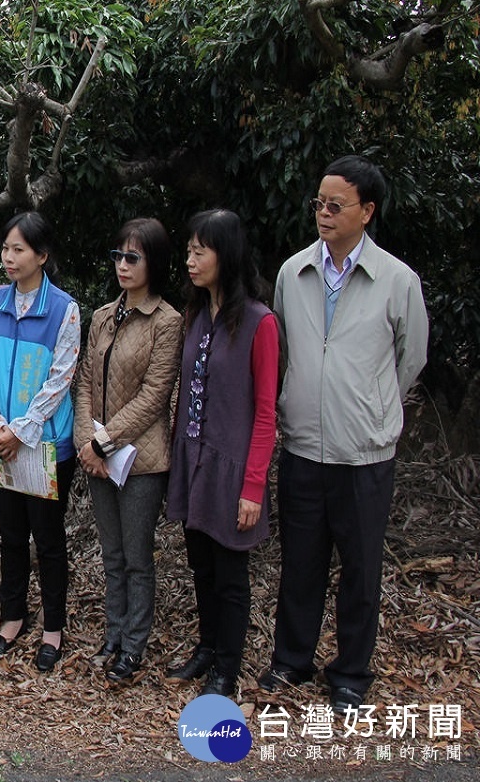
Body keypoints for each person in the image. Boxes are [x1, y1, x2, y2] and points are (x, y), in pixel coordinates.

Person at [259, 156, 428, 713]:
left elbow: (411, 359)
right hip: (303, 445)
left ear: (367, 211)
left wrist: (373, 408)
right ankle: (292, 660)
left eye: (336, 206)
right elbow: (284, 350)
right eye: (319, 204)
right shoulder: (293, 272)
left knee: (360, 568)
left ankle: (352, 672)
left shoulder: (397, 280)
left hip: (365, 454)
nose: (324, 214)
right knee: (300, 562)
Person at [166, 209, 279, 698]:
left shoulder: (260, 323)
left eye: (200, 251)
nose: (190, 260)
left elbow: (267, 414)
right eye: (189, 250)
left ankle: (227, 667)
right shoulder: (195, 314)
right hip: (194, 462)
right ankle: (207, 647)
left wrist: (253, 486)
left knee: (231, 574)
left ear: (225, 255)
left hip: (233, 470)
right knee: (201, 565)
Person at [74, 218, 182, 683]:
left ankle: (133, 647)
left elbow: (155, 396)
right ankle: (113, 635)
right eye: (118, 256)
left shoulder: (168, 321)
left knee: (137, 556)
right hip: (98, 456)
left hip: (142, 459)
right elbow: (83, 383)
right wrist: (86, 443)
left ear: (153, 263)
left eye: (132, 257)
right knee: (111, 553)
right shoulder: (102, 315)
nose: (122, 265)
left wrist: (104, 440)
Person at [0, 212, 82, 674]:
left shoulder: (64, 309)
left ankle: (53, 628)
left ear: (42, 255)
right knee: (12, 536)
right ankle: (12, 619)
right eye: (5, 248)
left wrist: (22, 429)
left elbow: (62, 376)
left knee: (49, 539)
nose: (8, 257)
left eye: (19, 249)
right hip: (1, 441)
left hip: (45, 445)